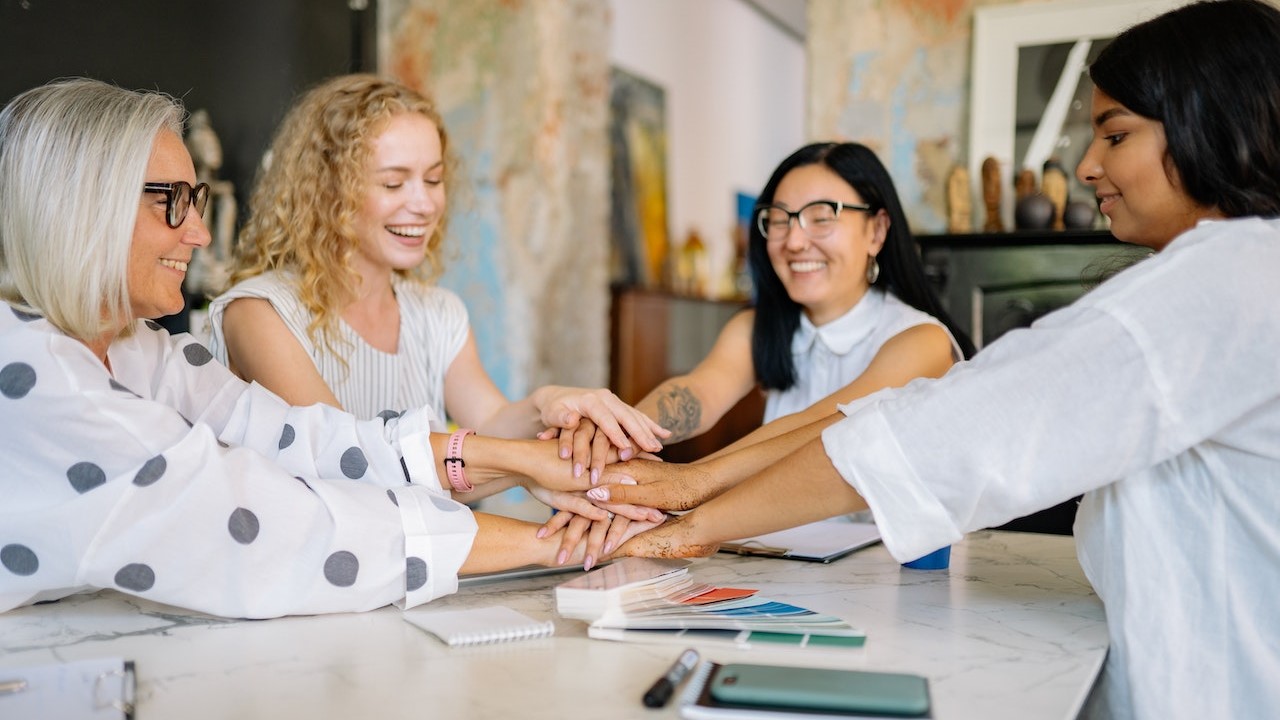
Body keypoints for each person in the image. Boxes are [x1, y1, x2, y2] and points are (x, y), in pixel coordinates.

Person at [606, 2, 1280, 717]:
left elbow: (913, 434)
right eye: (777, 220)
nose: (1085, 167)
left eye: (1115, 135)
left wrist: (689, 508)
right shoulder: (1242, 275)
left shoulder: (1217, 286)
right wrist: (627, 453)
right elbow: (698, 399)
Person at [0, 78, 653, 619]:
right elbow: (275, 517)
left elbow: (310, 440)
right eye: (171, 202)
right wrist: (551, 539)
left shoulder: (146, 352)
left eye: (195, 199)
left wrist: (534, 454)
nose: (198, 233)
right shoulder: (32, 370)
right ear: (81, 207)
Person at [207, 74, 667, 492]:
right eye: (393, 184)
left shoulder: (439, 313)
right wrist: (531, 467)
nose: (425, 204)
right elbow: (353, 468)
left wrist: (550, 405)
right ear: (326, 191)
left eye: (433, 179)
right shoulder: (259, 313)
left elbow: (489, 423)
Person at [635, 142, 971, 455]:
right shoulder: (757, 327)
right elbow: (699, 393)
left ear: (877, 231)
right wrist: (616, 434)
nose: (794, 242)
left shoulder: (921, 340)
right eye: (780, 219)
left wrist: (679, 484)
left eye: (822, 217)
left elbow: (815, 431)